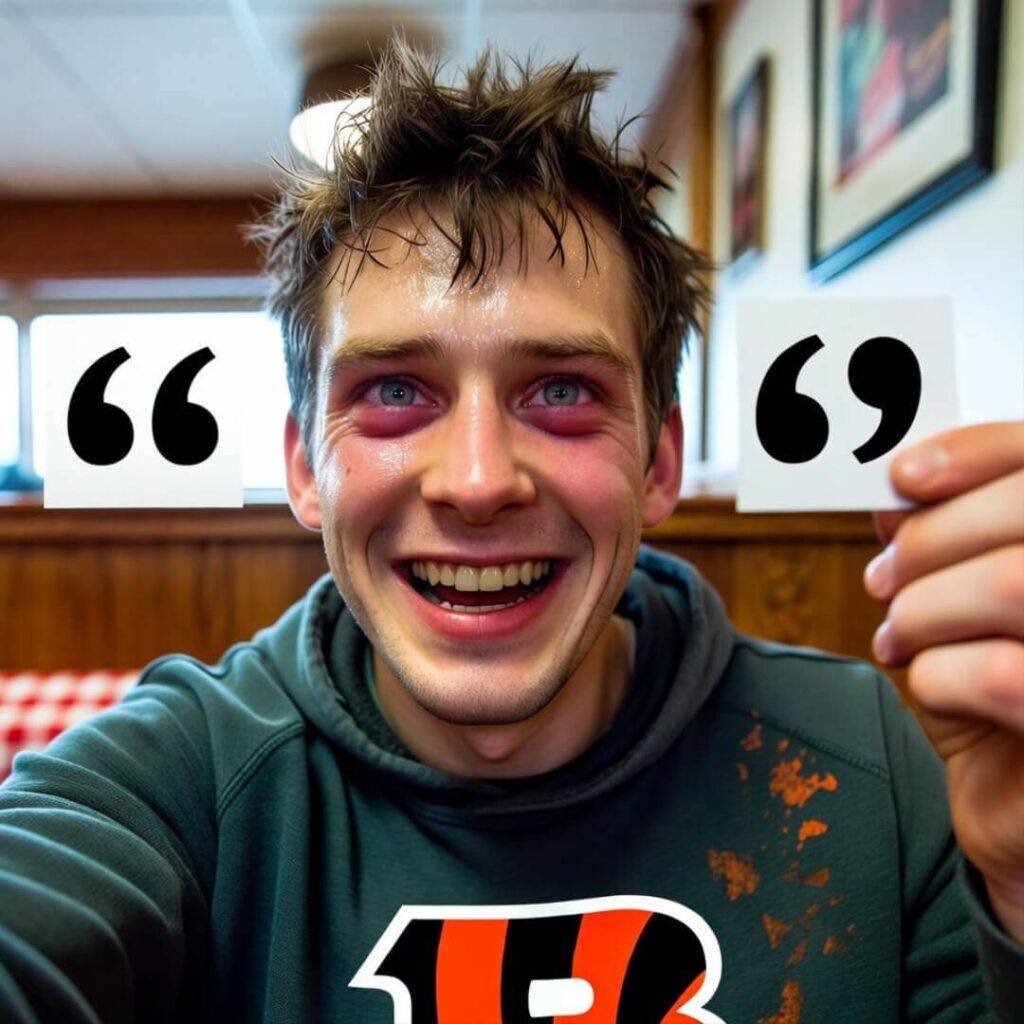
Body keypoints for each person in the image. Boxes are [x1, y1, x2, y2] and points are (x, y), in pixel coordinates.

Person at [1, 42, 1021, 1023]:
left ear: (659, 461)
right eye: (396, 389)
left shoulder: (862, 764)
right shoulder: (185, 778)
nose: (479, 481)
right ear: (307, 467)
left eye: (563, 389)